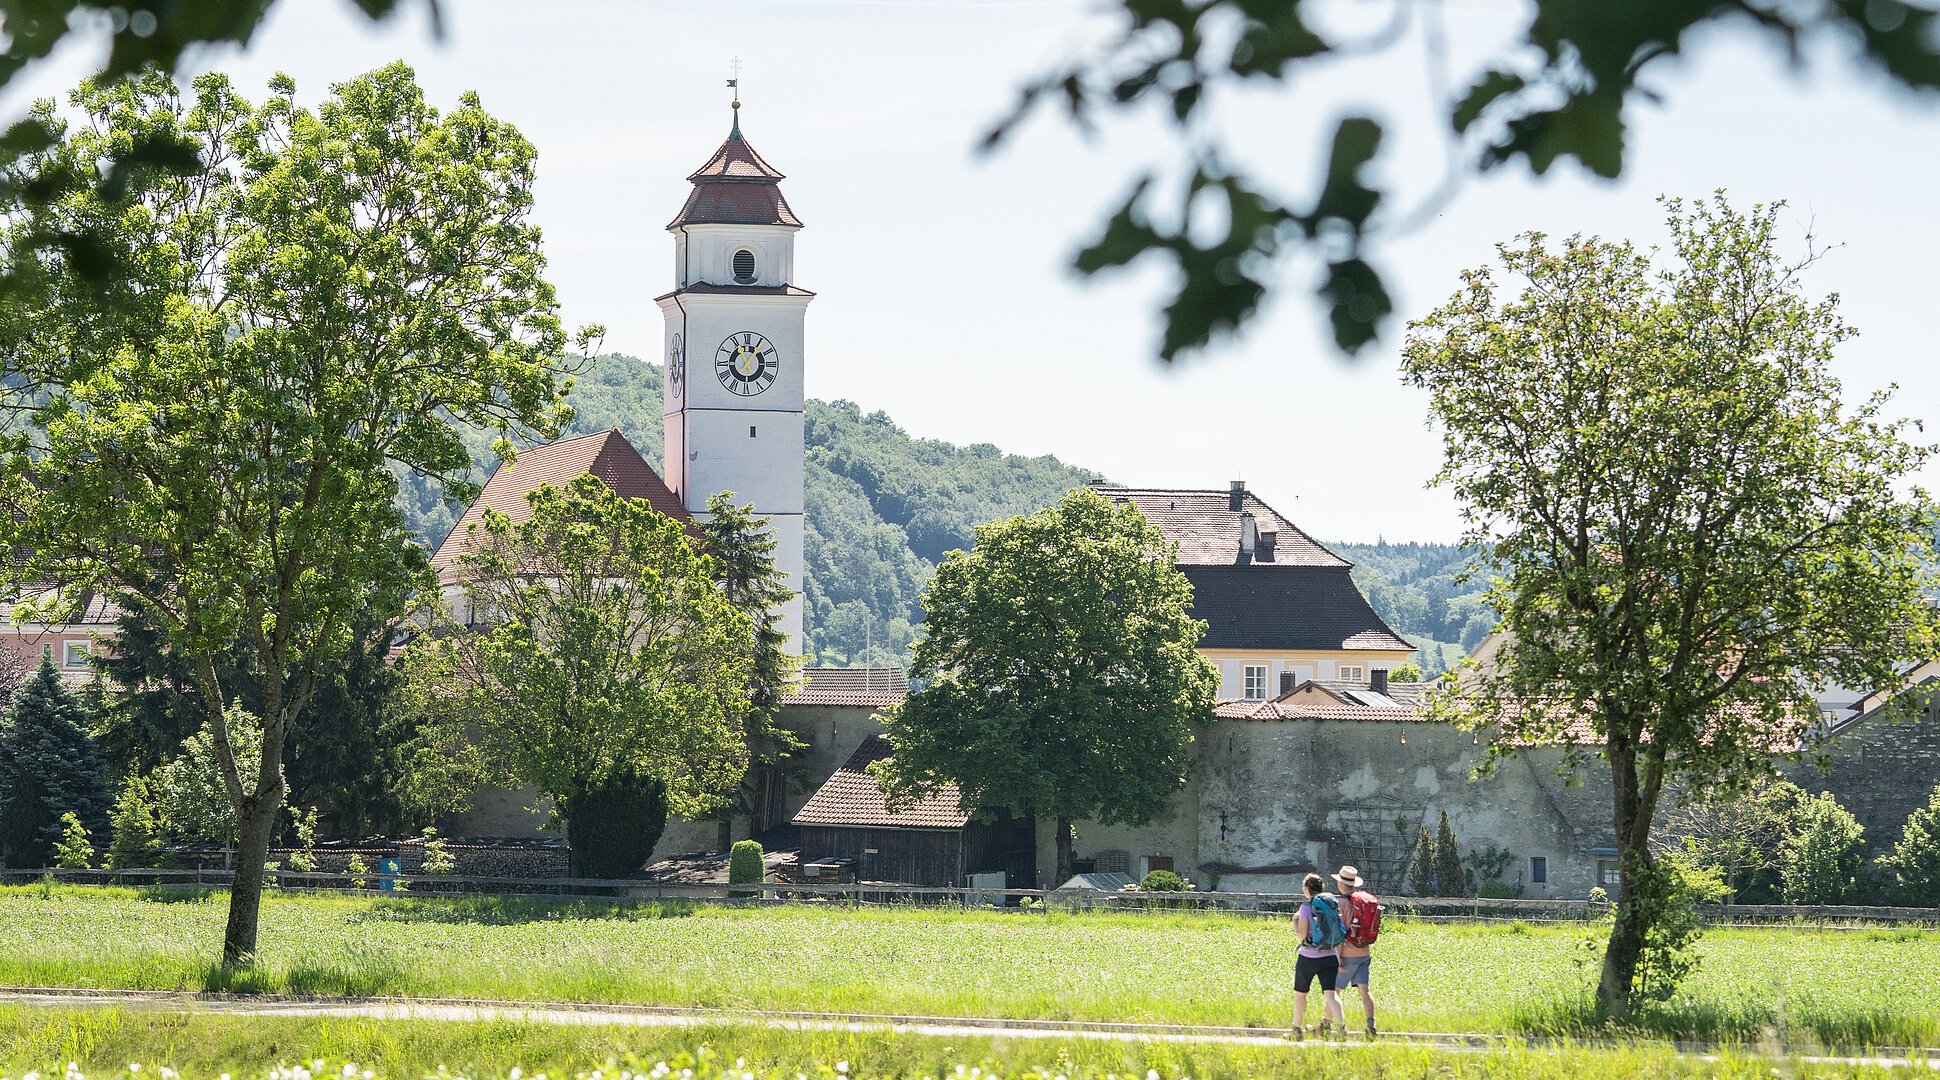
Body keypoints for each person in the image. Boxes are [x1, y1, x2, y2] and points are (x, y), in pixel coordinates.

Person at [1290, 871, 1346, 1039]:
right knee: (1331, 994)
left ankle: (1296, 1030)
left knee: (1301, 994)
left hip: (1308, 957)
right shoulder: (1330, 905)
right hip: (1329, 956)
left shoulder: (1306, 907)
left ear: (1307, 889)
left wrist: (1295, 922)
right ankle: (1342, 1028)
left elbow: (1302, 934)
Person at [1333, 864, 1378, 1038]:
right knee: (1364, 991)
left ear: (1341, 884)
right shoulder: (1362, 901)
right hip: (1364, 952)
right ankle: (1370, 1025)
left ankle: (1327, 1024)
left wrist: (1337, 956)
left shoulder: (1342, 903)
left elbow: (1340, 932)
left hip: (1347, 954)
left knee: (1333, 991)